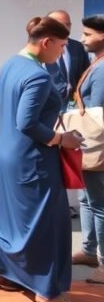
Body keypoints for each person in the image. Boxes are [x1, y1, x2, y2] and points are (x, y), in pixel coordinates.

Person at [0, 16, 78, 302]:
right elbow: (28, 123)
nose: (62, 53)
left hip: (8, 154)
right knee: (47, 222)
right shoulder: (38, 75)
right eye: (61, 47)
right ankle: (46, 289)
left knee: (15, 219)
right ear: (46, 42)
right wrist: (62, 139)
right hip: (34, 158)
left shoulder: (10, 64)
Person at [75, 14, 104, 275]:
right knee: (86, 199)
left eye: (87, 34)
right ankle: (88, 250)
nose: (82, 39)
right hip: (90, 145)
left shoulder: (103, 68)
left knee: (99, 203)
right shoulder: (97, 63)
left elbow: (96, 112)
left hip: (97, 145)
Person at [45, 10, 91, 102]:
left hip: (72, 105)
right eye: (60, 24)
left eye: (68, 24)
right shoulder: (41, 47)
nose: (65, 28)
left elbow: (85, 75)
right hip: (48, 104)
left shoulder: (78, 47)